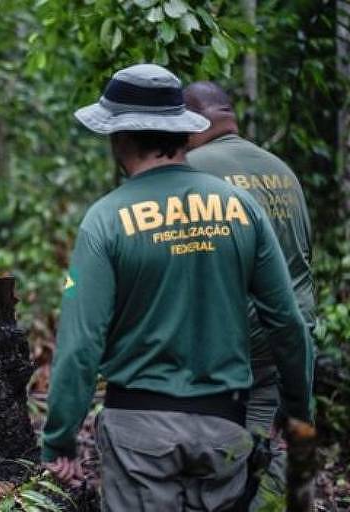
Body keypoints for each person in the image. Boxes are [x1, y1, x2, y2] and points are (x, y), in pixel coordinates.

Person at [41, 64, 314, 511]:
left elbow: (81, 344)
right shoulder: (240, 207)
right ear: (181, 133)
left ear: (120, 137)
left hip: (138, 436)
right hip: (226, 428)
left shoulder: (105, 220)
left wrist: (60, 439)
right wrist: (300, 409)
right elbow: (286, 320)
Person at [184, 81, 316, 507]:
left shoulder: (190, 170)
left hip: (230, 339)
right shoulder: (283, 171)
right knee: (262, 440)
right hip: (289, 335)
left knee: (215, 459)